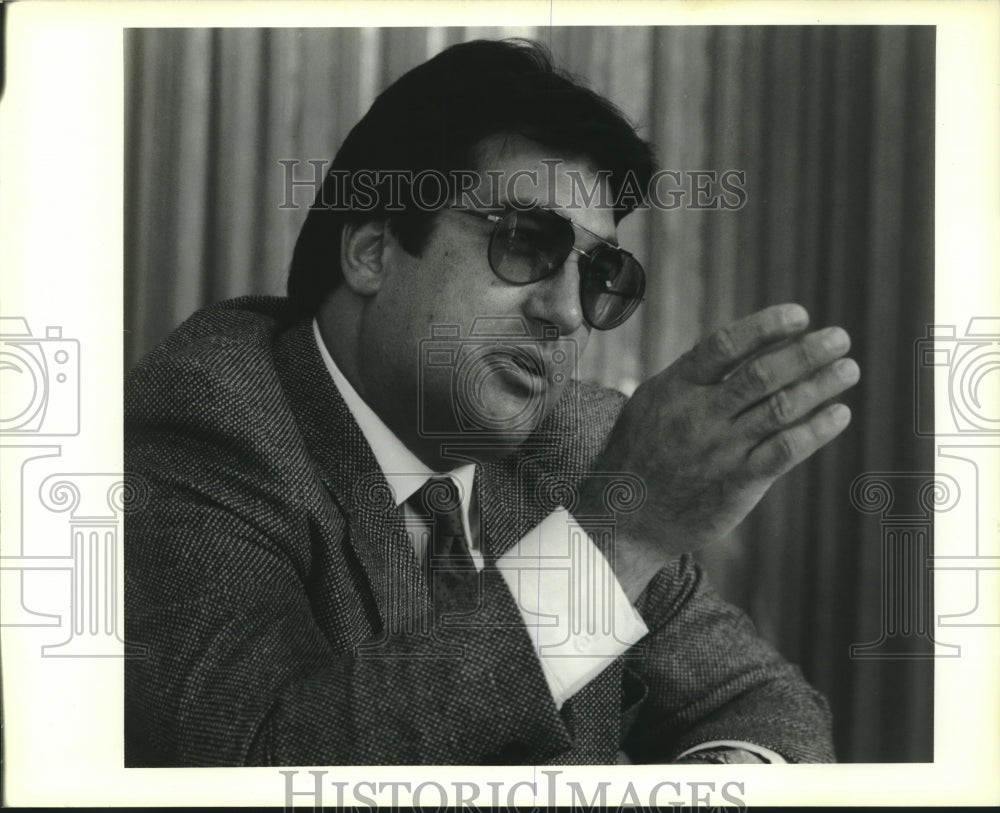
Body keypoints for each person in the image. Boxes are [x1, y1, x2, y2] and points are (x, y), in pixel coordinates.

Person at [124, 39, 859, 767]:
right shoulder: (211, 419)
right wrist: (618, 540)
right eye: (524, 241)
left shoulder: (585, 442)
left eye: (600, 272)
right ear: (373, 250)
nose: (567, 312)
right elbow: (255, 762)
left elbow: (759, 702)